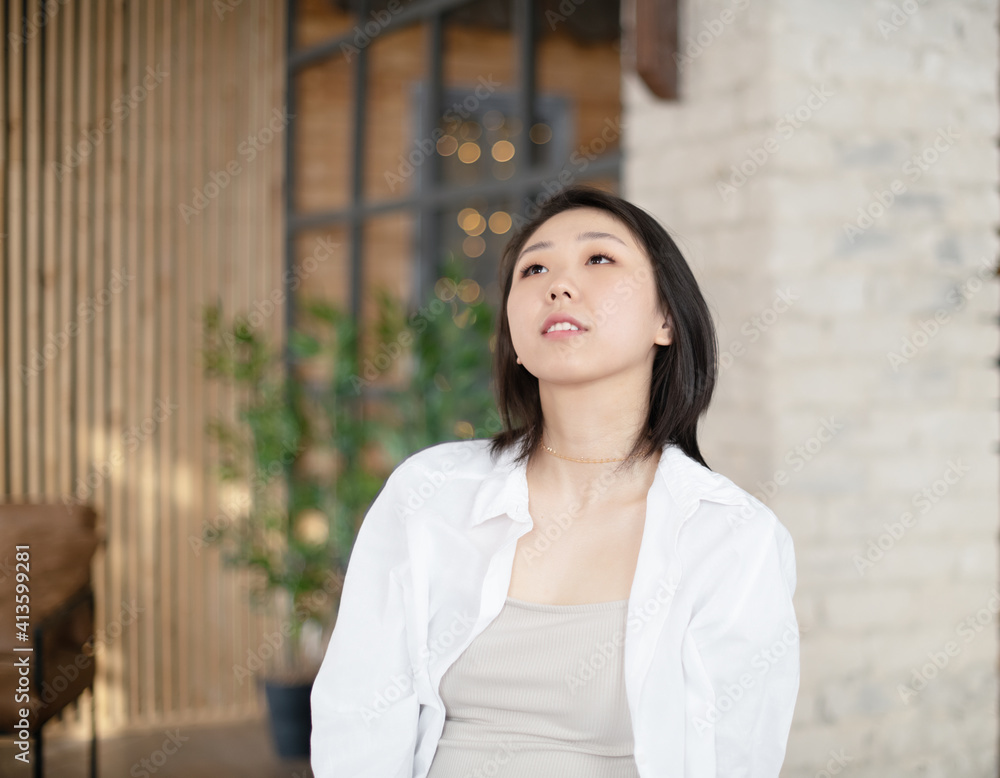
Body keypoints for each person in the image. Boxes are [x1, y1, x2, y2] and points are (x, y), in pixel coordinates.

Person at [310, 185, 799, 777]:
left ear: (665, 318)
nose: (558, 285)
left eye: (599, 260)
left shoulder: (732, 539)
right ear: (513, 335)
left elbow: (732, 758)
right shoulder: (430, 492)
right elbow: (357, 714)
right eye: (533, 268)